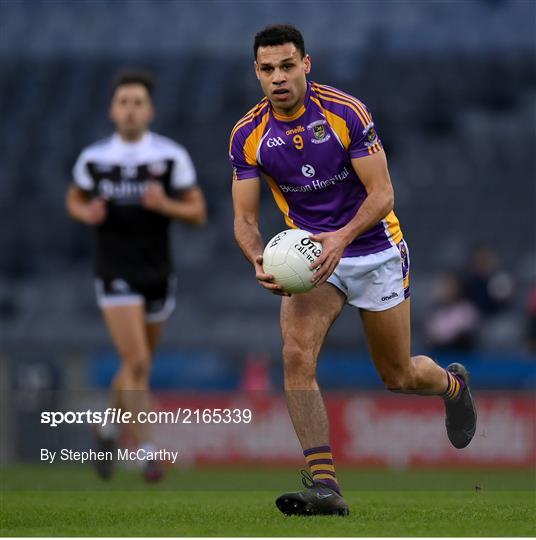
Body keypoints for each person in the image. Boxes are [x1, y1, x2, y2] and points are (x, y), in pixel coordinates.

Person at [230, 25, 476, 516]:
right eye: (267, 69)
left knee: (399, 376)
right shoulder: (248, 135)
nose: (278, 77)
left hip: (374, 249)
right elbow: (244, 220)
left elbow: (383, 194)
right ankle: (325, 486)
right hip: (311, 259)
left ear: (306, 64)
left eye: (287, 65)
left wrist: (340, 239)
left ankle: (453, 387)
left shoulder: (345, 112)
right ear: (256, 72)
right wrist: (258, 258)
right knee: (296, 354)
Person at [66, 70, 206, 481]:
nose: (130, 109)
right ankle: (145, 451)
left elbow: (196, 213)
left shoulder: (169, 157)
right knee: (138, 360)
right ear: (113, 110)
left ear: (150, 110)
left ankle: (106, 426)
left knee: (135, 366)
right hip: (115, 270)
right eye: (123, 102)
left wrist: (166, 205)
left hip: (157, 271)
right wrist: (84, 211)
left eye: (137, 102)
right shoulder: (94, 159)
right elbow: (75, 198)